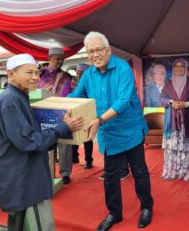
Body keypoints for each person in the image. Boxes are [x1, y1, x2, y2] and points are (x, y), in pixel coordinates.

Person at [69, 31, 154, 231]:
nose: (95, 55)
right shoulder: (88, 74)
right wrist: (60, 107)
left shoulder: (123, 68)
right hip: (109, 133)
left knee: (139, 171)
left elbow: (123, 101)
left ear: (108, 50)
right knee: (111, 176)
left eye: (98, 50)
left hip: (131, 129)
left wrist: (98, 119)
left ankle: (147, 207)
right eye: (90, 52)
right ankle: (114, 213)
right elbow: (76, 96)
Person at [0, 54, 83, 231]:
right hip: (22, 177)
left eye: (37, 73)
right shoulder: (10, 101)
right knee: (38, 224)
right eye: (29, 72)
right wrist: (62, 128)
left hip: (23, 173)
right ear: (11, 74)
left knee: (20, 224)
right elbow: (28, 141)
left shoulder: (19, 97)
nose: (35, 77)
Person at [37, 47, 74, 184]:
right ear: (49, 58)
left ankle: (65, 173)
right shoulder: (39, 75)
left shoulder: (68, 77)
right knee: (46, 143)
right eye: (57, 58)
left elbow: (75, 94)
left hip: (62, 114)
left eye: (62, 59)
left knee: (65, 145)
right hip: (43, 114)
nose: (60, 61)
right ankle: (46, 171)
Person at [160, 58, 189, 181]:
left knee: (186, 146)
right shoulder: (168, 83)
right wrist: (171, 102)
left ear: (185, 68)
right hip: (171, 120)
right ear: (173, 68)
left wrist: (186, 104)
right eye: (176, 66)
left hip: (186, 120)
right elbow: (162, 99)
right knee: (171, 146)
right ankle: (172, 171)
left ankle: (185, 172)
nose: (179, 69)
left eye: (182, 66)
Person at [72, 63, 94, 169]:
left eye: (82, 74)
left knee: (87, 138)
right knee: (74, 135)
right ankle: (74, 157)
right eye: (77, 73)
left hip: (87, 113)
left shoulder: (91, 84)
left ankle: (89, 161)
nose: (79, 76)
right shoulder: (73, 84)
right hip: (75, 114)